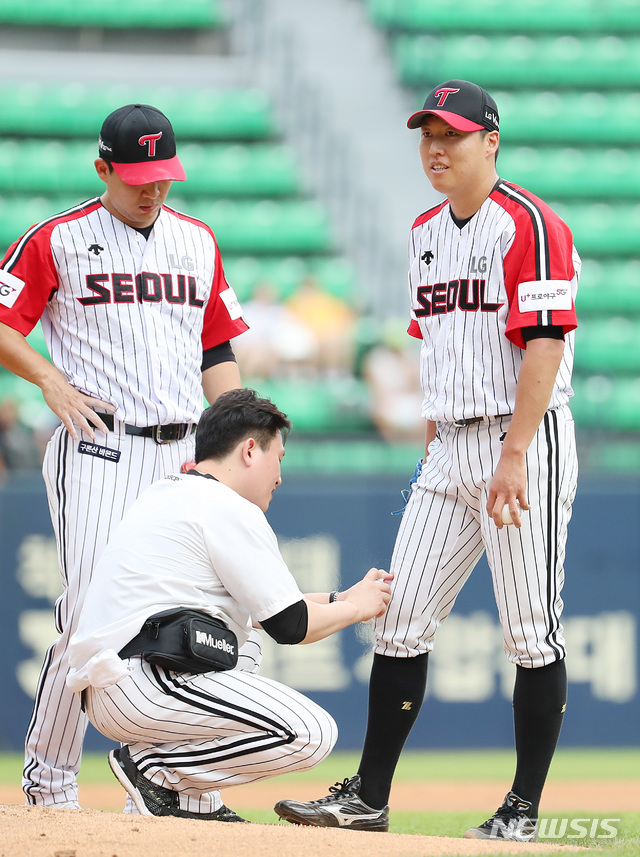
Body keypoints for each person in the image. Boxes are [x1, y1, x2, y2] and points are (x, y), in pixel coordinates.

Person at [274, 79, 579, 841]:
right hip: (450, 443)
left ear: (491, 141)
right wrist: (438, 435)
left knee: (530, 633)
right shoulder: (422, 231)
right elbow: (439, 344)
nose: (436, 148)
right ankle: (368, 796)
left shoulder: (531, 224)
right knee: (400, 618)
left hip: (524, 437)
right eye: (427, 135)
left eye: (452, 135)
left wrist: (514, 452)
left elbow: (545, 342)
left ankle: (522, 810)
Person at [0, 103, 248, 809]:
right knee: (89, 617)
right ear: (103, 167)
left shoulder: (197, 241)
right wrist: (49, 377)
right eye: (137, 175)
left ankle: (174, 785)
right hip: (102, 448)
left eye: (163, 175)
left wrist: (232, 446)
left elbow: (217, 349)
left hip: (183, 456)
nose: (152, 188)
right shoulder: (59, 240)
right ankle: (49, 780)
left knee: (191, 619)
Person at [65, 388, 392, 820]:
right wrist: (358, 609)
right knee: (312, 733)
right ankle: (155, 770)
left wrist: (339, 599)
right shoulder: (225, 506)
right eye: (279, 458)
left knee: (245, 639)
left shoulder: (173, 492)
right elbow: (291, 626)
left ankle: (190, 802)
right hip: (146, 681)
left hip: (116, 686)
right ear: (250, 450)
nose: (280, 476)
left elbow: (270, 608)